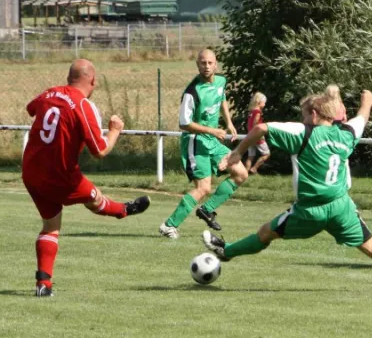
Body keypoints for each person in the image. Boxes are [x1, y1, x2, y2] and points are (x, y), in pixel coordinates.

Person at [202, 89, 372, 294]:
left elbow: (261, 128)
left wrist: (237, 152)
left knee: (266, 233)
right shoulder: (346, 133)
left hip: (309, 210)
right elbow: (363, 115)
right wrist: (367, 99)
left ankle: (226, 251)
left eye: (305, 114)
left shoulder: (304, 132)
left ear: (314, 115)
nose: (303, 118)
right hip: (341, 207)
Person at [22, 59, 151, 297]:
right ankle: (123, 210)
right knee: (94, 200)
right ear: (92, 80)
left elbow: (31, 109)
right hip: (61, 175)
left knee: (51, 226)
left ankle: (43, 284)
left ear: (69, 77)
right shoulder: (84, 106)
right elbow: (100, 150)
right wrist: (115, 129)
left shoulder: (50, 92)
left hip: (31, 171)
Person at [159, 49, 248, 239]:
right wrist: (213, 130)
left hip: (212, 141)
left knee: (241, 173)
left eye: (210, 63)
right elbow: (184, 124)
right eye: (202, 63)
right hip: (195, 142)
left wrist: (229, 122)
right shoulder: (192, 92)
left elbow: (221, 98)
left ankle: (207, 210)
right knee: (203, 188)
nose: (206, 66)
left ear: (216, 64)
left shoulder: (221, 81)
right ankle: (169, 225)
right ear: (197, 65)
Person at [244, 92, 271, 174]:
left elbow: (248, 125)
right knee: (266, 154)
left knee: (250, 156)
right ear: (259, 102)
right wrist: (260, 135)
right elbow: (255, 124)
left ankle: (245, 173)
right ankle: (254, 168)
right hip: (257, 136)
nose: (265, 104)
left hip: (250, 136)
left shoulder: (251, 111)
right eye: (264, 102)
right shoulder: (258, 112)